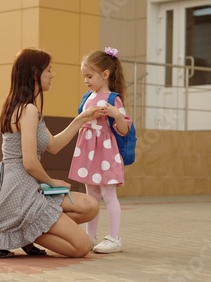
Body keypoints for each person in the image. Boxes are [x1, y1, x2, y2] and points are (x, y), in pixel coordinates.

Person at [0, 48, 103, 259]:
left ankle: (25, 231)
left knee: (90, 206)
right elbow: (29, 162)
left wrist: (82, 118)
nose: (52, 75)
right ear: (36, 74)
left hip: (30, 186)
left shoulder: (26, 108)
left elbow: (53, 145)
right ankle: (22, 233)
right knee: (81, 247)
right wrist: (53, 182)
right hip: (20, 190)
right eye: (49, 70)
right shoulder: (28, 110)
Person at [69, 47, 132, 253]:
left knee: (109, 194)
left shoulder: (114, 99)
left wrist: (116, 115)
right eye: (84, 76)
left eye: (89, 76)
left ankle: (114, 238)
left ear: (105, 75)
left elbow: (123, 130)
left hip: (105, 151)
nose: (86, 80)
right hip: (89, 151)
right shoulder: (88, 96)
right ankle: (91, 236)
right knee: (91, 196)